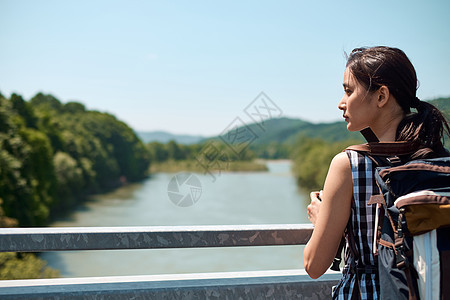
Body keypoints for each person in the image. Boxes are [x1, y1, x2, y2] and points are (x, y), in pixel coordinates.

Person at [302, 46, 449, 299]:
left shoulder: (349, 165)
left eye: (349, 91)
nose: (341, 102)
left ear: (381, 96)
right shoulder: (440, 160)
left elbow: (314, 265)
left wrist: (321, 220)